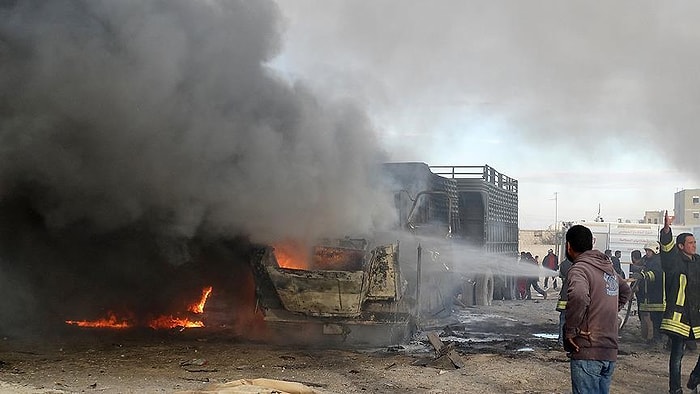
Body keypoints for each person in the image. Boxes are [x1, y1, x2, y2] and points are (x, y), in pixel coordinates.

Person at [564, 225, 631, 394]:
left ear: (568, 246)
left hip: (588, 351)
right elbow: (626, 291)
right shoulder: (606, 267)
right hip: (608, 351)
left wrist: (571, 330)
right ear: (591, 244)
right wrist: (607, 313)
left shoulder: (580, 268)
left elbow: (579, 295)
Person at [659, 210, 700, 393]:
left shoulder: (698, 261)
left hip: (696, 316)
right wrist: (666, 231)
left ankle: (696, 377)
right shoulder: (674, 261)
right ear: (681, 246)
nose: (694, 246)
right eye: (690, 243)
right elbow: (667, 251)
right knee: (677, 356)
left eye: (695, 242)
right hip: (679, 318)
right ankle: (675, 389)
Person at [630, 241, 664, 346]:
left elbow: (656, 274)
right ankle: (653, 337)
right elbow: (644, 268)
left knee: (657, 319)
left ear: (656, 250)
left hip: (657, 295)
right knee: (651, 318)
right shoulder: (647, 260)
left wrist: (643, 276)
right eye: (646, 250)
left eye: (649, 250)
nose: (647, 252)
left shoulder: (658, 261)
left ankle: (657, 339)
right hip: (649, 294)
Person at [556, 257, 573, 347]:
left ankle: (561, 340)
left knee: (563, 319)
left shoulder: (563, 264)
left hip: (564, 296)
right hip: (573, 298)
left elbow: (560, 275)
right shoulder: (578, 265)